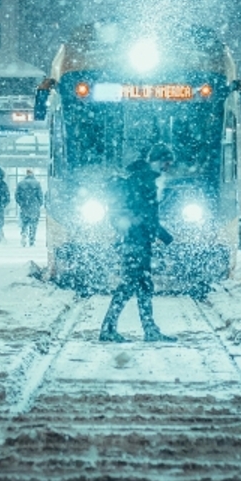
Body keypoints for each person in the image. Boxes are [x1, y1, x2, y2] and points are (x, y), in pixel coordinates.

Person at [99, 143, 176, 343]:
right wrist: (164, 236)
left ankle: (148, 329)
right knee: (130, 285)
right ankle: (110, 329)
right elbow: (144, 215)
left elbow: (143, 214)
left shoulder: (143, 178)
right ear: (157, 160)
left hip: (136, 240)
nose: (167, 167)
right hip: (136, 241)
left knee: (141, 285)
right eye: (166, 163)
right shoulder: (143, 180)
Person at [15, 169, 44, 247]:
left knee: (24, 222)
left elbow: (17, 196)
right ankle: (31, 240)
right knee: (33, 224)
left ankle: (24, 233)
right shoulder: (37, 184)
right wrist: (39, 204)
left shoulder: (20, 184)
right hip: (34, 206)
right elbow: (40, 196)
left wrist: (21, 203)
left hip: (24, 206)